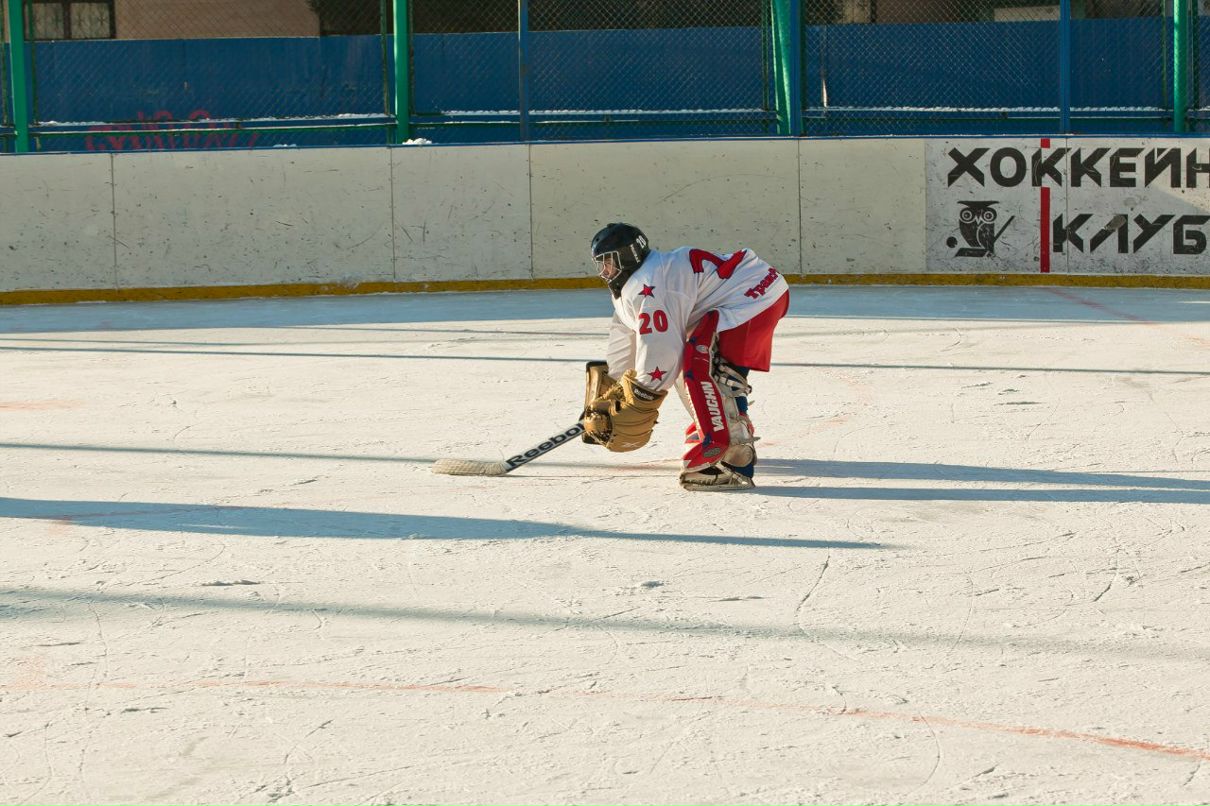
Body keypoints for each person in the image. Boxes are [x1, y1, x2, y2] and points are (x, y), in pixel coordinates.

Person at [581, 223, 790, 491]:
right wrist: (618, 384)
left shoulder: (652, 285)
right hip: (751, 287)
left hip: (752, 299)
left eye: (609, 262)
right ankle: (719, 424)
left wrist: (641, 398)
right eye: (601, 264)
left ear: (627, 256)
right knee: (692, 362)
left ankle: (733, 460)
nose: (604, 271)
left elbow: (662, 352)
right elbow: (625, 331)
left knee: (707, 366)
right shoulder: (635, 284)